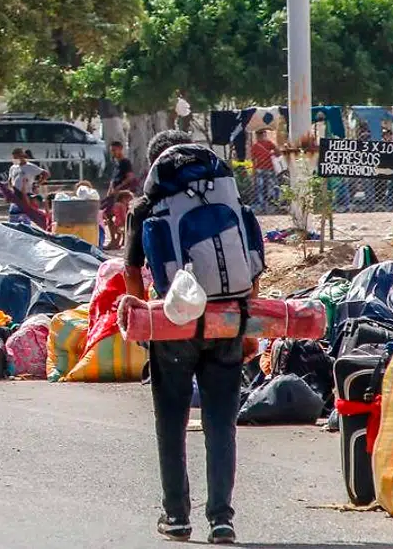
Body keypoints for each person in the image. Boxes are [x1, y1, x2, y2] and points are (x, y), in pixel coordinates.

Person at [123, 129, 247, 546]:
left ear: (156, 167)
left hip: (175, 321)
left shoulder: (145, 206)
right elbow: (252, 266)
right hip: (228, 317)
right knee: (221, 422)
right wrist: (245, 324)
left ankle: (176, 516)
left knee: (172, 420)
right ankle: (221, 520)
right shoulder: (225, 196)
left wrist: (144, 324)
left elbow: (132, 272)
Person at [102, 141, 140, 247]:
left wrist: (118, 188)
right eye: (112, 151)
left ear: (120, 149)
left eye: (114, 150)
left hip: (122, 195)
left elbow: (130, 177)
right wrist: (110, 191)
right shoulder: (116, 164)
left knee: (118, 216)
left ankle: (118, 239)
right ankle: (115, 239)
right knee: (108, 215)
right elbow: (113, 179)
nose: (113, 153)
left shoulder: (125, 162)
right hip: (114, 194)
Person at [250, 127, 279, 212]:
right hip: (268, 168)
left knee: (261, 189)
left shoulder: (255, 146)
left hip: (261, 169)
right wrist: (272, 153)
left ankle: (263, 206)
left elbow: (253, 161)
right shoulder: (268, 143)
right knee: (272, 187)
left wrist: (253, 173)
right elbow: (278, 153)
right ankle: (273, 204)